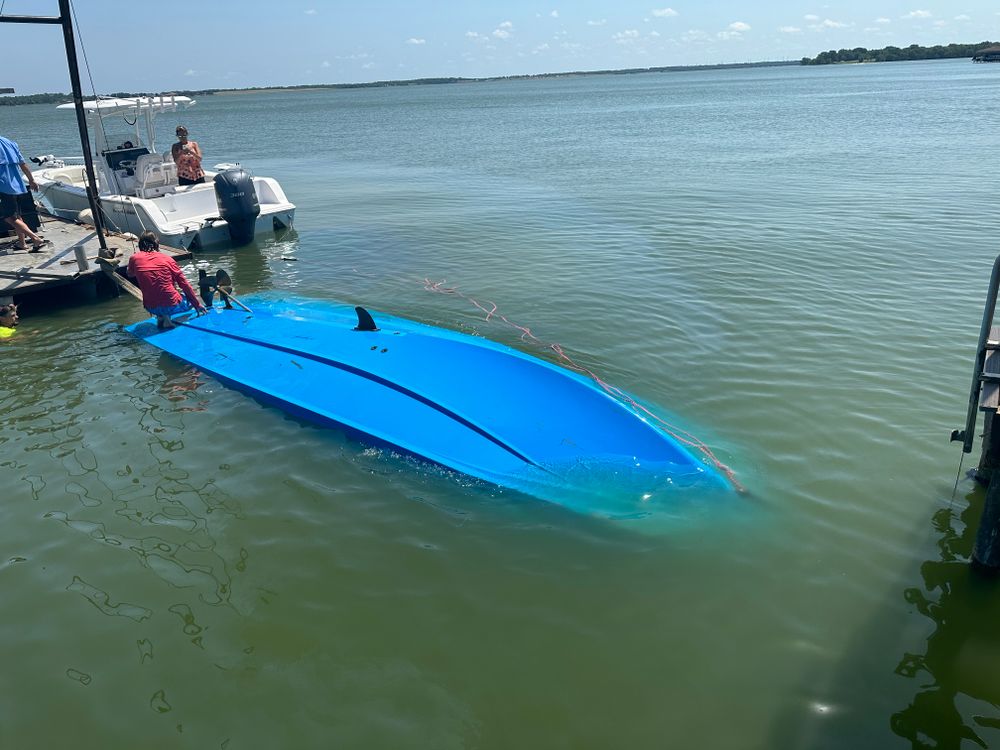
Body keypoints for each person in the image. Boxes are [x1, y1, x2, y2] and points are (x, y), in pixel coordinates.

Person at [126, 231, 206, 330]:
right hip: (171, 305)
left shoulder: (134, 258)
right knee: (193, 297)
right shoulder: (168, 259)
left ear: (140, 244)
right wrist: (197, 304)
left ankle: (162, 317)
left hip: (150, 307)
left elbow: (130, 274)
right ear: (156, 243)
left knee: (156, 290)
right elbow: (184, 284)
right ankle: (167, 320)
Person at [0, 136, 49, 252]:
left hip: (3, 186)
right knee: (16, 216)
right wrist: (31, 180)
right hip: (17, 185)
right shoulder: (9, 142)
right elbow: (23, 164)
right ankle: (22, 243)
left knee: (8, 217)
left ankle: (35, 239)